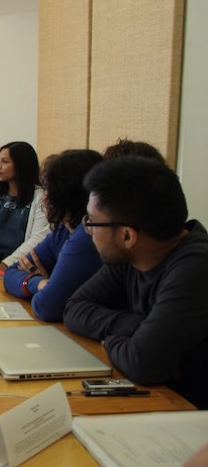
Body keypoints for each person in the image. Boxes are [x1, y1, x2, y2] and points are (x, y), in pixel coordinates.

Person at [64, 157, 208, 409]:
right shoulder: (132, 256)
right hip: (159, 401)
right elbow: (74, 308)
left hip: (189, 414)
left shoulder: (196, 267)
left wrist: (110, 339)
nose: (88, 231)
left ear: (127, 235)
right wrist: (136, 326)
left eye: (91, 222)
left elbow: (142, 364)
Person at [3, 149, 103, 322]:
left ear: (66, 193)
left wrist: (45, 287)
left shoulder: (85, 237)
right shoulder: (63, 231)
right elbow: (10, 274)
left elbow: (46, 307)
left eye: (48, 188)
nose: (43, 197)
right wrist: (39, 283)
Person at [0, 142, 49, 269]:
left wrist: (4, 265)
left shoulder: (40, 196)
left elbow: (38, 238)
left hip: (22, 265)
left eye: (5, 161)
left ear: (21, 165)